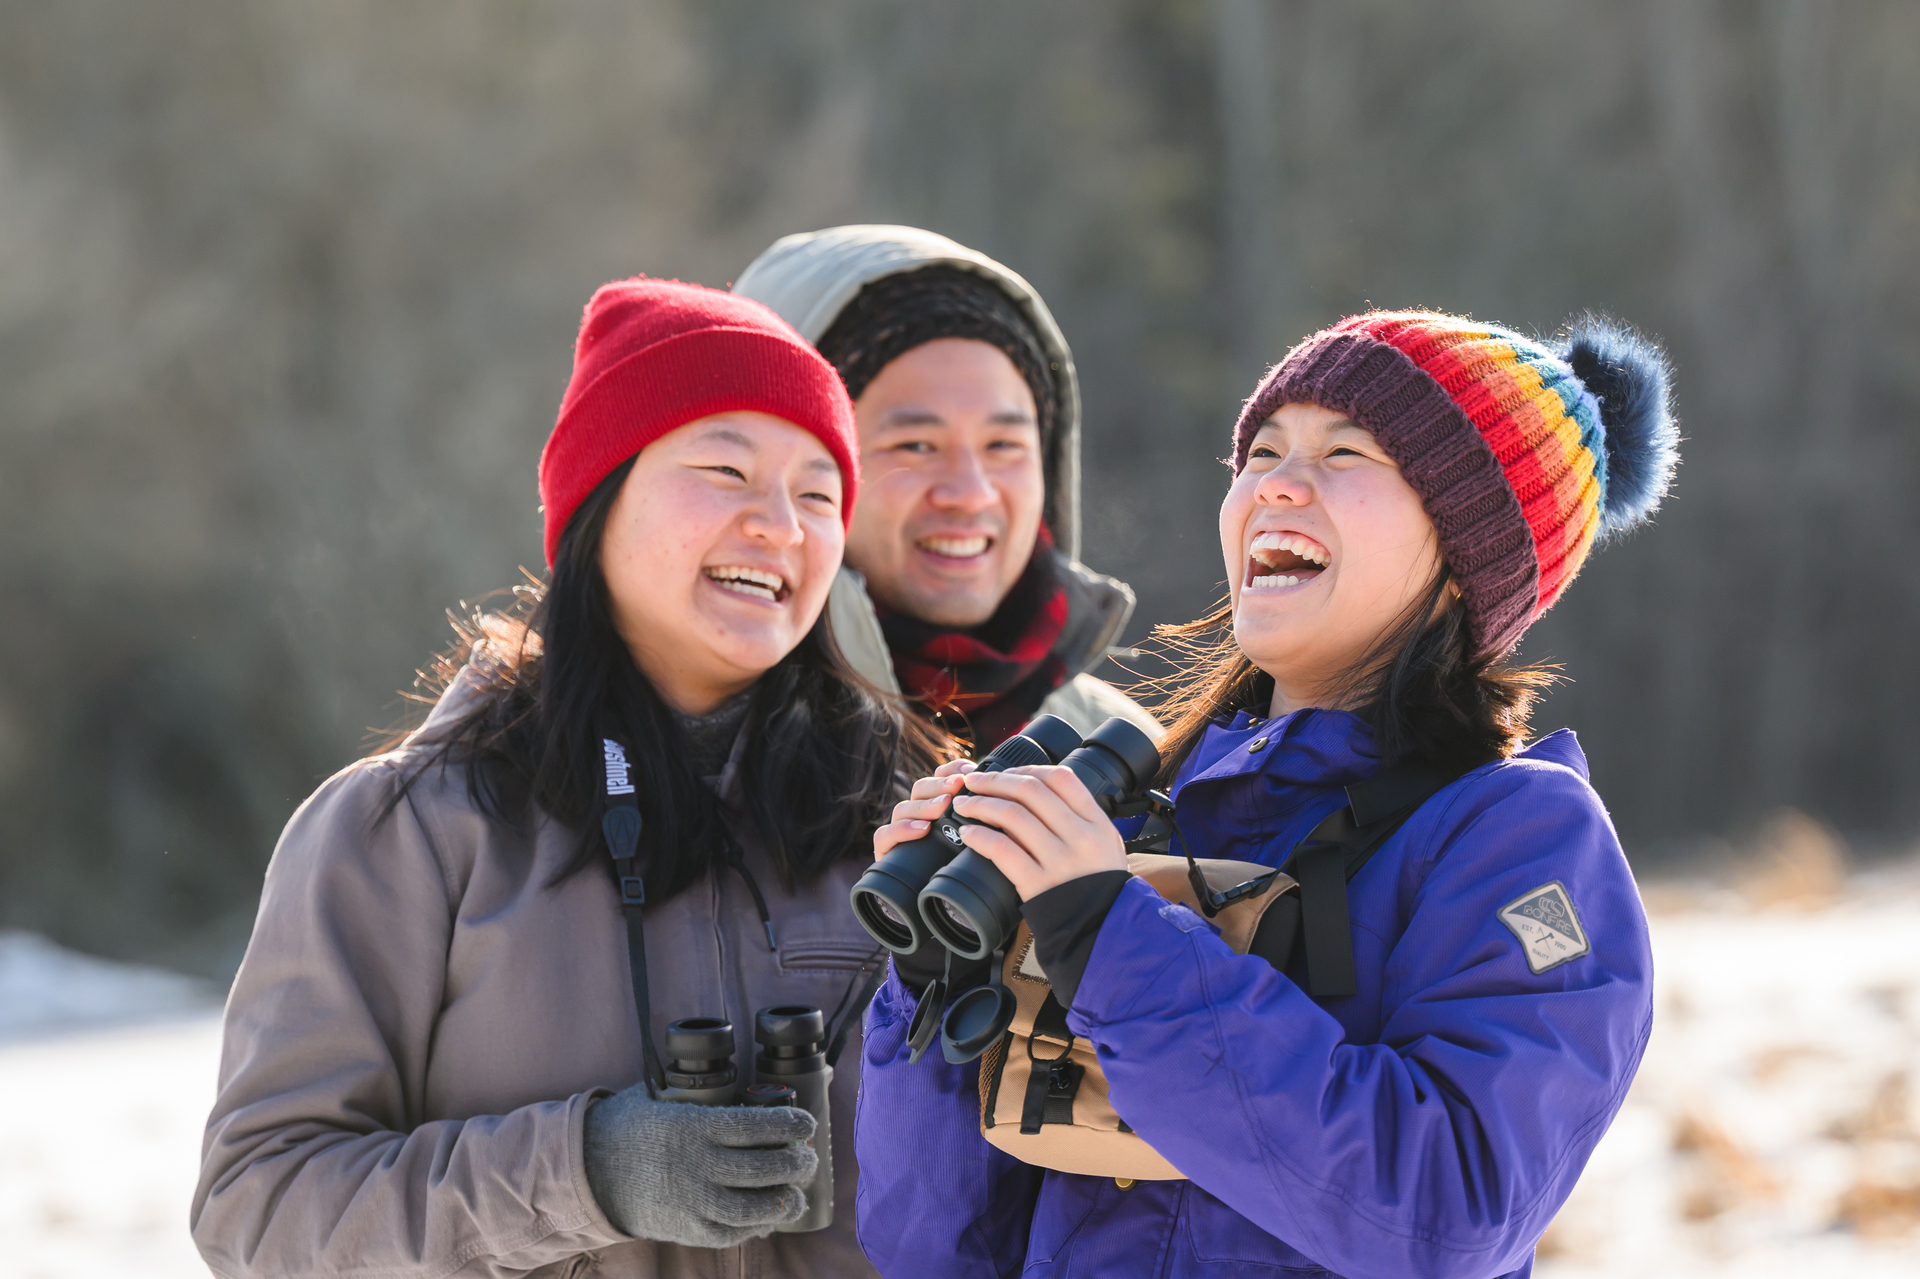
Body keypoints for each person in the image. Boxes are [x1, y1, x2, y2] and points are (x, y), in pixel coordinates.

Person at [854, 310, 1681, 1277]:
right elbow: (930, 1249)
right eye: (1262, 450)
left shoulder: (1521, 840)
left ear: (1467, 560)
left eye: (1347, 453)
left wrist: (1112, 941)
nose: (1277, 483)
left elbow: (1451, 1212)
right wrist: (940, 977)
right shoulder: (1137, 809)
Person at [191, 279, 945, 1279]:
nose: (783, 524)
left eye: (817, 492)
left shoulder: (903, 823)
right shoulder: (406, 833)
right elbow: (260, 1209)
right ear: (600, 497)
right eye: (726, 469)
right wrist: (587, 1172)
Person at [733, 224, 1159, 752]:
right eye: (915, 445)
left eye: (1004, 444)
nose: (971, 493)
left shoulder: (1123, 753)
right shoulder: (682, 744)